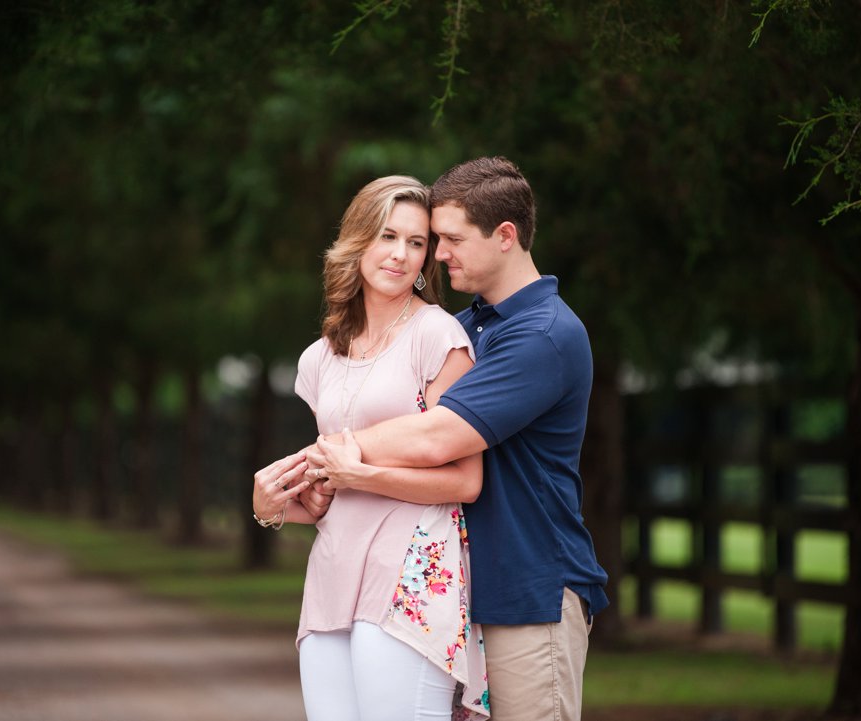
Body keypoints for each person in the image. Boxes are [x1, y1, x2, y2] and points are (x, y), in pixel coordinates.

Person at [307, 157, 609, 721]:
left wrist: (326, 454)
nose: (438, 255)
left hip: (527, 590)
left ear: (505, 236)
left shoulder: (543, 334)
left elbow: (437, 437)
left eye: (450, 239)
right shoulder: (466, 328)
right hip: (461, 589)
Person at [251, 175, 490, 721]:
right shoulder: (319, 358)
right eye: (388, 236)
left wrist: (362, 474)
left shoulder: (438, 336)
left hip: (411, 568)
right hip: (333, 571)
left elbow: (466, 480)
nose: (401, 254)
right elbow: (331, 489)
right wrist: (272, 506)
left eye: (416, 242)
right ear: (358, 241)